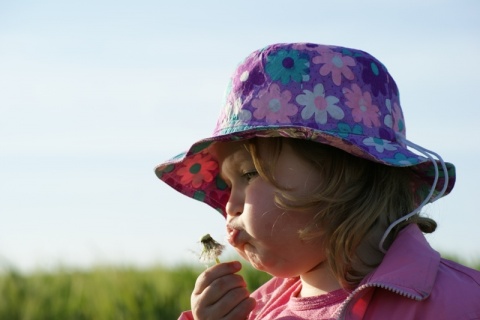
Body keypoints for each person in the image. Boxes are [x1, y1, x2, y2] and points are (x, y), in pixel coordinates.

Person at [155, 43, 480, 319]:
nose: (229, 205)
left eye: (250, 174)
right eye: (228, 184)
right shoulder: (259, 311)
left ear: (346, 176)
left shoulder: (461, 302)